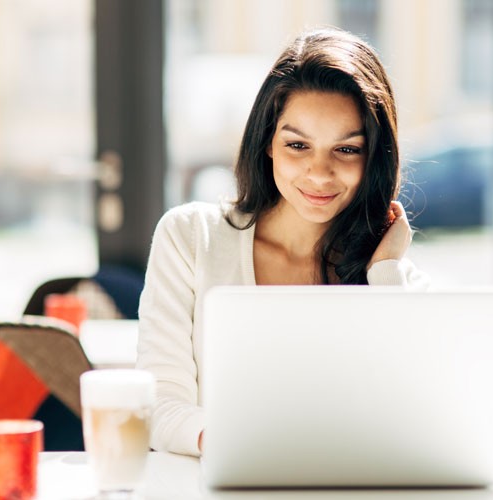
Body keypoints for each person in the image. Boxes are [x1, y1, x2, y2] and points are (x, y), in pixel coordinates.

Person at [135, 27, 429, 457]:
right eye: (297, 145)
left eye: (346, 150)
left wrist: (384, 272)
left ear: (374, 158)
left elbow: (416, 418)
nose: (319, 173)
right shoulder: (189, 238)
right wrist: (249, 447)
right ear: (268, 143)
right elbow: (159, 406)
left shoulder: (396, 280)